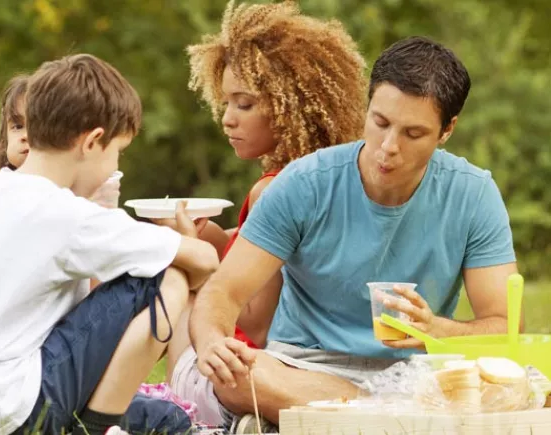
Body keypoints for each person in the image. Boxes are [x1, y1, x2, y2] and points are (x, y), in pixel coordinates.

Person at [187, 36, 516, 432]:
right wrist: (212, 343)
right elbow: (223, 291)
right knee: (238, 375)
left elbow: (502, 325)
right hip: (301, 368)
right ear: (368, 107)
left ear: (446, 131)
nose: (389, 147)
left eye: (413, 134)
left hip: (414, 376)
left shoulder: (473, 194)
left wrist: (437, 330)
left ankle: (323, 421)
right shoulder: (305, 183)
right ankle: (385, 419)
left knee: (515, 386)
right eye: (380, 123)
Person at [0, 53, 220, 435]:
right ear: (93, 142)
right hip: (18, 412)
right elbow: (204, 259)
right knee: (164, 276)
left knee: (167, 420)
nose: (114, 165)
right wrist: (181, 242)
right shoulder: (63, 215)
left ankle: (97, 420)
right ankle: (94, 428)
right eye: (117, 152)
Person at [166, 1, 368, 427]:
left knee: (169, 281)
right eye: (225, 103)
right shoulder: (336, 181)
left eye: (244, 104)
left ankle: (184, 413)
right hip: (317, 367)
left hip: (247, 362)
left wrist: (193, 262)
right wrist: (217, 240)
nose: (227, 120)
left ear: (288, 105)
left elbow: (256, 323)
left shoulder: (272, 189)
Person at [0, 74, 122, 209]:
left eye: (36, 126)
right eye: (17, 126)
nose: (26, 135)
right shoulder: (1, 192)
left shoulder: (81, 187)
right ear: (4, 137)